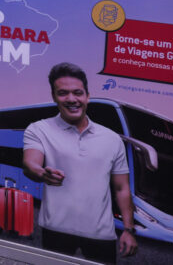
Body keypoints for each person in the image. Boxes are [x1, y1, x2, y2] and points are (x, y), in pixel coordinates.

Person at [22, 63, 138, 263]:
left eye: (77, 93)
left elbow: (122, 188)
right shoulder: (38, 130)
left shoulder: (112, 139)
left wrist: (128, 229)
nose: (71, 99)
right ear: (54, 97)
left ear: (87, 96)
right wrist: (42, 173)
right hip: (55, 230)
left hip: (101, 235)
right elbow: (30, 164)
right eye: (63, 93)